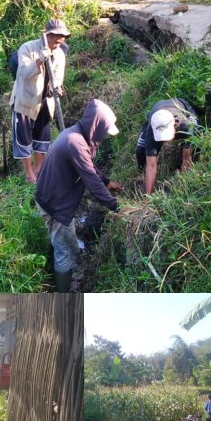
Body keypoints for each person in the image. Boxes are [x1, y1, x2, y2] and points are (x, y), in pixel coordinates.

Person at [35, 99, 123, 292]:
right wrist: (116, 206)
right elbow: (91, 181)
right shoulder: (76, 143)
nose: (104, 136)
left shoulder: (76, 134)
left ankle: (57, 261)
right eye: (104, 131)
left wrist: (107, 182)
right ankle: (63, 295)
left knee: (71, 247)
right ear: (96, 126)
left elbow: (88, 167)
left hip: (54, 197)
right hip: (55, 205)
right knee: (66, 252)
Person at [10, 19, 71, 184]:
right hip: (26, 101)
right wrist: (39, 61)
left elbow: (58, 77)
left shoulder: (59, 53)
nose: (60, 42)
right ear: (48, 35)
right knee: (24, 138)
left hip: (46, 102)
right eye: (57, 38)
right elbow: (23, 74)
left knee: (42, 137)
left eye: (63, 39)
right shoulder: (28, 48)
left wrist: (57, 87)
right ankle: (29, 174)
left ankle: (39, 169)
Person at [137, 98, 199, 194]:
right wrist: (148, 195)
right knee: (140, 151)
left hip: (181, 105)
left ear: (175, 125)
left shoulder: (186, 126)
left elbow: (187, 158)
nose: (166, 141)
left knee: (195, 145)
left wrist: (182, 186)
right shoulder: (151, 131)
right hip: (157, 109)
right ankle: (140, 173)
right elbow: (151, 165)